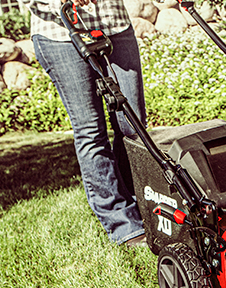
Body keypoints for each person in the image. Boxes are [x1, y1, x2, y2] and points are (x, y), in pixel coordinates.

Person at [27, 0, 147, 246]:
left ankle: (140, 200)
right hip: (60, 35)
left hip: (114, 25)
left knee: (133, 125)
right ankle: (120, 220)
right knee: (91, 129)